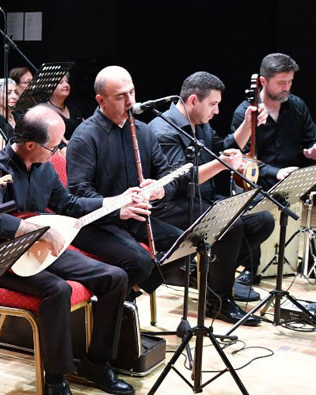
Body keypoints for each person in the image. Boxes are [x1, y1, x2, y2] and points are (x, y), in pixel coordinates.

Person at [67, 66, 256, 324]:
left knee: (187, 244)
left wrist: (160, 188)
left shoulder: (143, 131)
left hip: (137, 216)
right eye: (121, 96)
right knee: (140, 260)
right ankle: (110, 303)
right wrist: (117, 207)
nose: (131, 101)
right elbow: (78, 193)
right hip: (100, 221)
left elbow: (168, 173)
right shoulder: (85, 136)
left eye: (132, 92)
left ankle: (130, 294)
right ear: (101, 100)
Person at [0, 106, 133, 395]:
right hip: (1, 256)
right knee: (57, 290)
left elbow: (68, 204)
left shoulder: (45, 166)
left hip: (38, 250)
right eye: (55, 146)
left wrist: (115, 203)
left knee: (114, 277)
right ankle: (57, 382)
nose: (60, 151)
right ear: (31, 145)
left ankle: (97, 363)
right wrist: (30, 229)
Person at [230, 52, 316, 283]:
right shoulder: (245, 112)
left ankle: (314, 260)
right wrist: (274, 171)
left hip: (294, 179)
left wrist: (315, 150)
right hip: (263, 180)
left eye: (289, 82)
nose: (286, 87)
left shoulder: (296, 105)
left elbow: (313, 138)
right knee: (253, 208)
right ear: (263, 81)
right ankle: (251, 265)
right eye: (281, 82)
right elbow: (243, 157)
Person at [147, 71, 274, 303]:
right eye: (213, 104)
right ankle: (218, 299)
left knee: (262, 220)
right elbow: (180, 179)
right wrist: (221, 165)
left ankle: (213, 278)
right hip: (171, 207)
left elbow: (222, 148)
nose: (216, 111)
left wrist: (248, 125)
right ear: (194, 100)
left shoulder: (200, 123)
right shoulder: (163, 130)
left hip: (200, 199)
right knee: (231, 225)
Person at [47, 71, 82, 140]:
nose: (66, 84)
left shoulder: (73, 108)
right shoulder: (46, 111)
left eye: (67, 81)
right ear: (50, 88)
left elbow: (85, 128)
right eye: (60, 82)